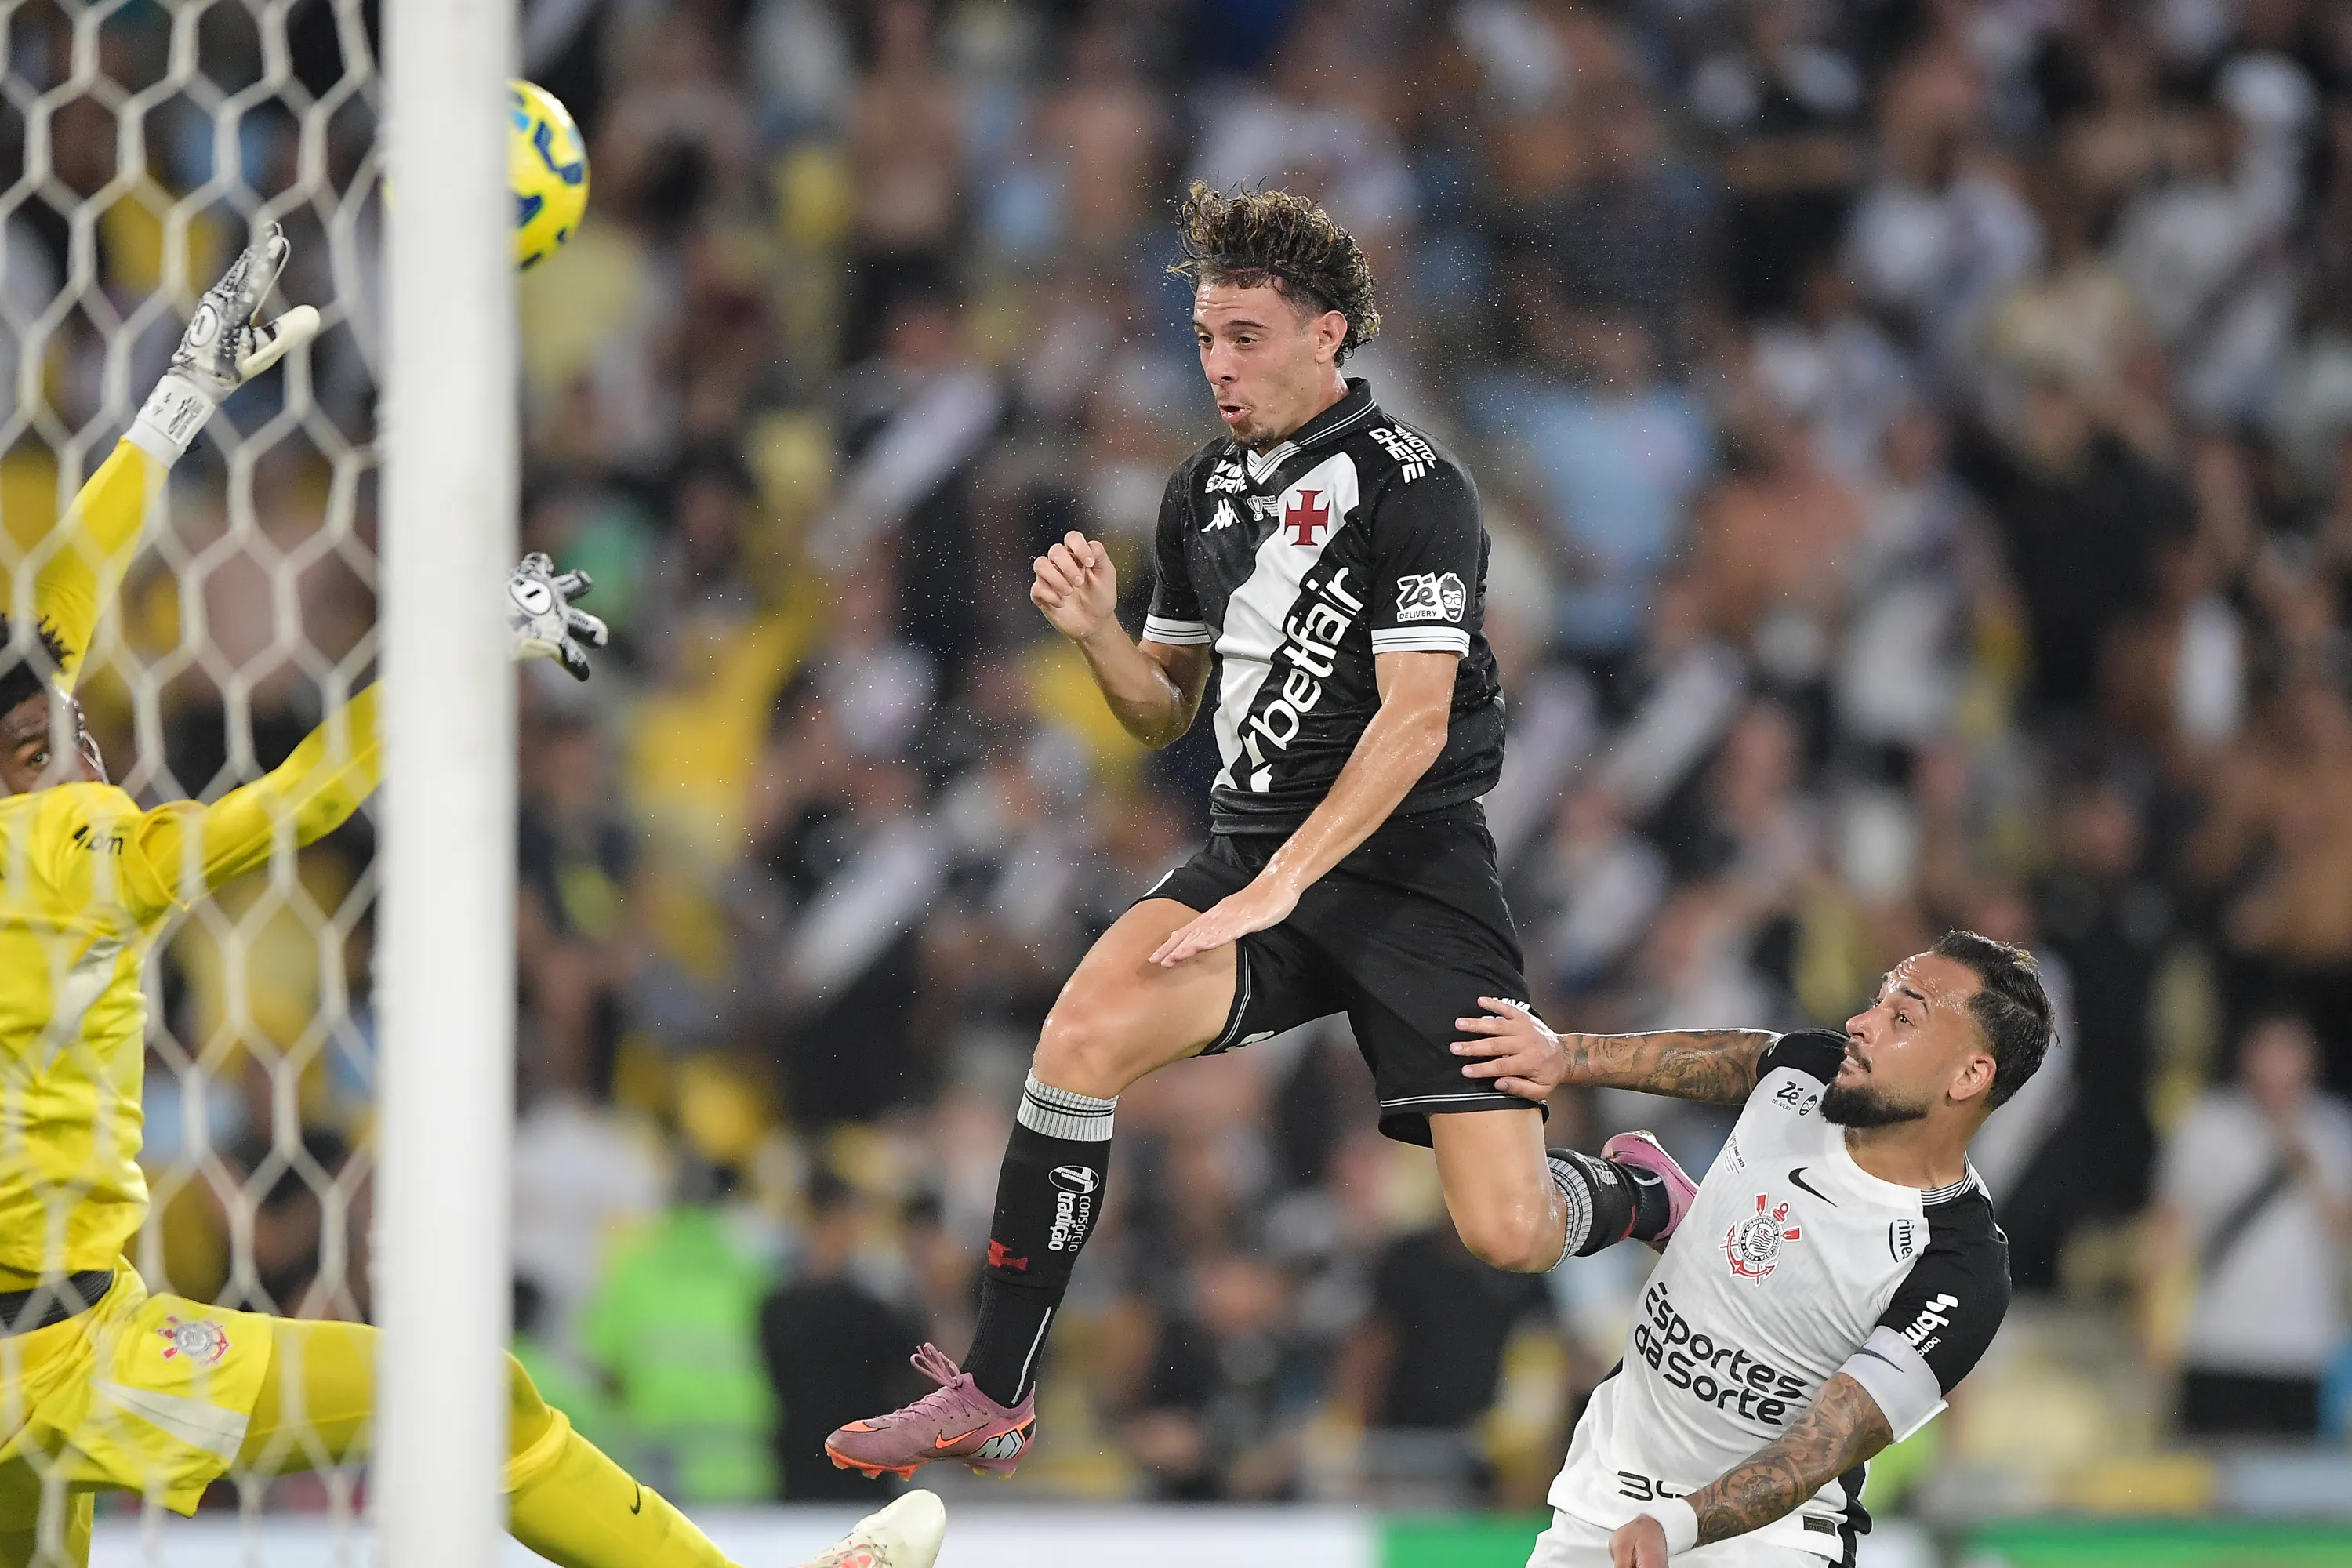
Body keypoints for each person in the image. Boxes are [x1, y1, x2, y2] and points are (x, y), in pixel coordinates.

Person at [0, 227, 947, 1568]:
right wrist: (453, 643)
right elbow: (296, 800)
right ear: (32, 760)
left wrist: (176, 403)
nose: (91, 727)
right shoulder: (73, 845)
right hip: (76, 1357)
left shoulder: (27, 797)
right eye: (60, 730)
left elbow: (63, 605)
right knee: (460, 1396)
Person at [827, 183, 1683, 1481]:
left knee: (1507, 1229)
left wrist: (1286, 884)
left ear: (1328, 334)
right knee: (1079, 1037)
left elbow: (1413, 720)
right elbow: (1162, 708)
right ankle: (995, 1391)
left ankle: (1625, 1190)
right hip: (1250, 857)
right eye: (1206, 340)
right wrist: (1104, 636)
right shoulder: (1201, 497)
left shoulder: (1417, 493)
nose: (1219, 367)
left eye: (1246, 337)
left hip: (1410, 874)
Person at [1447, 931, 2051, 1566]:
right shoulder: (1812, 1071)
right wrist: (1563, 1056)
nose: (1861, 1022)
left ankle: (1669, 1211)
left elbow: (1826, 1443)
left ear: (1970, 1075)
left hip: (1769, 1546)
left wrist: (1675, 1526)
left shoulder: (1961, 1265)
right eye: (1878, 1000)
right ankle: (1677, 1213)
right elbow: (1747, 1058)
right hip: (1603, 1500)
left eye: (1903, 1017)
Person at [2140, 1014, 2352, 1439]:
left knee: (2293, 1482)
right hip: (2215, 1342)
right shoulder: (2207, 1125)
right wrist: (2149, 1320)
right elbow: (2167, 1229)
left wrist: (2305, 1167)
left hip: (2302, 1348)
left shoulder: (2331, 1128)